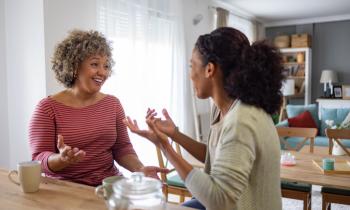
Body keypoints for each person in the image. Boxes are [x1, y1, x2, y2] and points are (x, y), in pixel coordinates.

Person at [124, 27, 283, 210]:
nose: (190, 75)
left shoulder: (241, 121)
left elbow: (219, 200)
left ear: (209, 69)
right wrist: (174, 134)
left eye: (192, 66)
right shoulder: (226, 107)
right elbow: (215, 155)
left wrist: (165, 146)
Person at [29, 30, 167, 186]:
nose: (102, 72)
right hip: (68, 189)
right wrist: (61, 159)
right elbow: (38, 159)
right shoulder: (47, 108)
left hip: (109, 186)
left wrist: (139, 168)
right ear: (74, 66)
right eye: (95, 64)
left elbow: (122, 148)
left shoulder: (112, 104)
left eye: (106, 66)